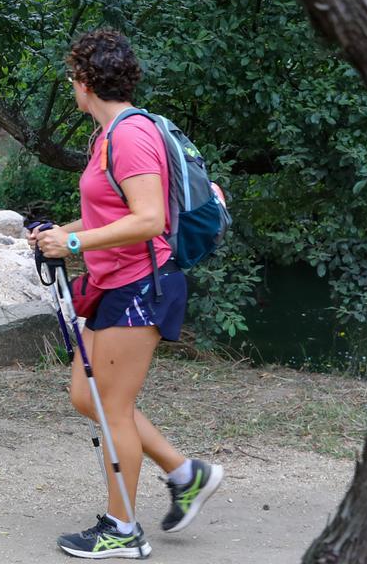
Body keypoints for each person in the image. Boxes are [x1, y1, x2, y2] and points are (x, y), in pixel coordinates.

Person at [29, 28, 223, 560]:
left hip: (144, 285)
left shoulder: (131, 136)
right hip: (115, 282)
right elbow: (107, 216)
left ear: (86, 82)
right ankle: (187, 473)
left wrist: (73, 240)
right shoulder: (108, 136)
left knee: (112, 406)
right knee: (86, 395)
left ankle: (122, 529)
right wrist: (59, 237)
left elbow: (150, 219)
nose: (72, 86)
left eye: (73, 77)